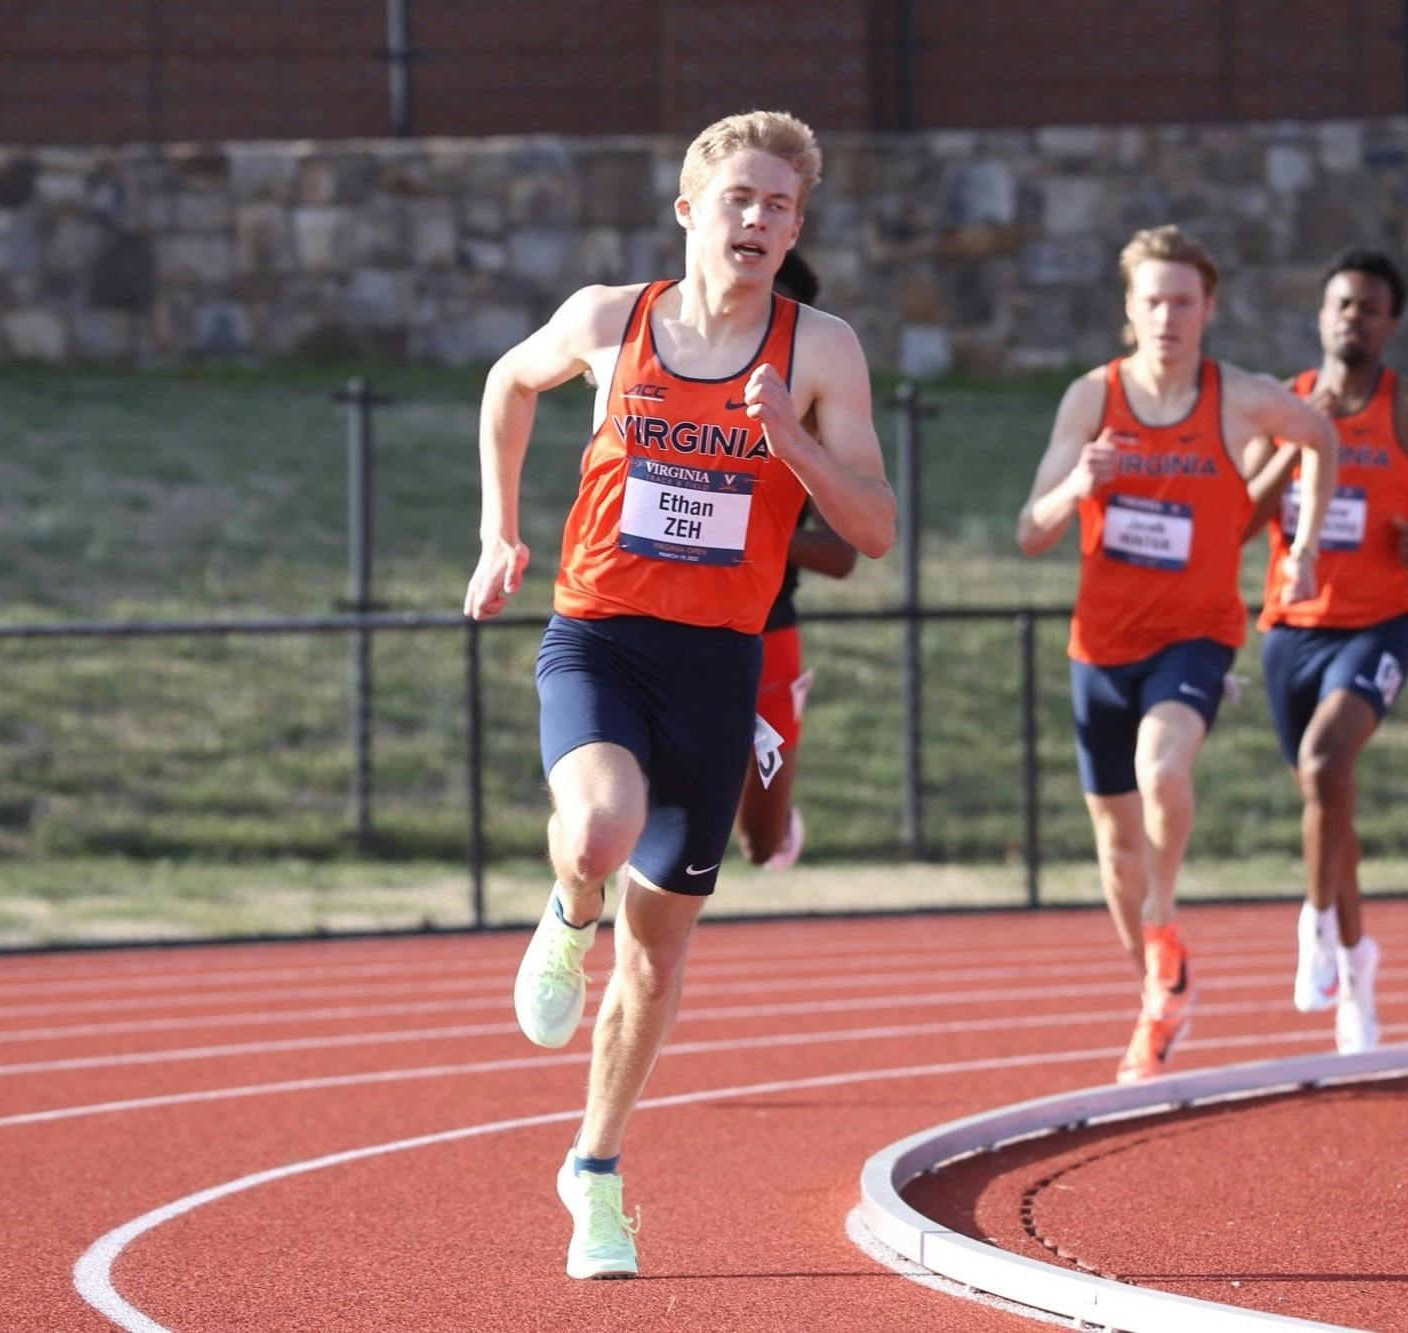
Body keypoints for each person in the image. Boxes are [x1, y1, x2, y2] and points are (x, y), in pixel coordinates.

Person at [461, 110, 894, 1279]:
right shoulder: (615, 318)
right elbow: (510, 383)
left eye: (779, 207)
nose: (756, 221)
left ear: (795, 227)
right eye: (739, 199)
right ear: (689, 209)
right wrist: (499, 532)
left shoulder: (820, 350)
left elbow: (874, 528)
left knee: (658, 951)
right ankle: (564, 910)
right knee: (597, 825)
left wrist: (789, 444)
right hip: (598, 635)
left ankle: (593, 1175)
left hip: (719, 664)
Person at [1015, 224, 1340, 1083]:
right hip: (1101, 649)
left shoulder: (1238, 397)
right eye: (1152, 300)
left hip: (1195, 637)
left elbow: (1322, 434)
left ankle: (1165, 911)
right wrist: (1080, 485)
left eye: (1183, 302)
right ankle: (1161, 987)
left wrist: (1302, 542)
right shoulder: (1091, 398)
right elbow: (1029, 531)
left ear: (1209, 309)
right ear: (1130, 309)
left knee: (1163, 772)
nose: (1168, 317)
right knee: (1116, 854)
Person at [1241, 247, 1408, 1053]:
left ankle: (1313, 930)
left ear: (1391, 323)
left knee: (1323, 764)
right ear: (1321, 315)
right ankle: (1359, 970)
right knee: (1328, 799)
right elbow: (1239, 516)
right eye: (1343, 304)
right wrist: (1304, 441)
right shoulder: (1283, 402)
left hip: (1379, 623)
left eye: (1371, 307)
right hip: (1291, 628)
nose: (1355, 317)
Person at [735, 249, 859, 870]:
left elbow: (842, 555)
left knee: (762, 844)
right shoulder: (666, 386)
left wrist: (747, 528)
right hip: (668, 618)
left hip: (768, 629)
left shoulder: (810, 415)